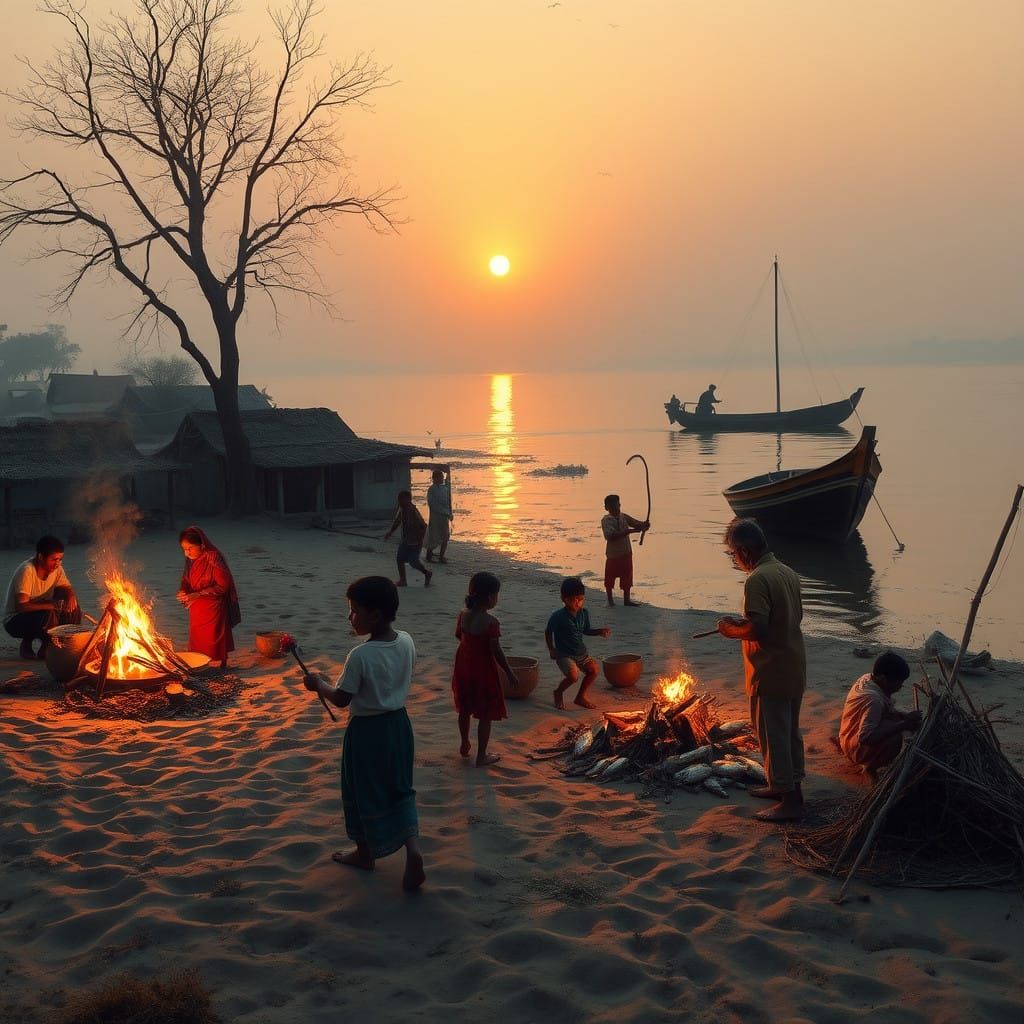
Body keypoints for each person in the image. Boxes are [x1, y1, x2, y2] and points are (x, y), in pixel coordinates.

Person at [302, 575, 425, 891]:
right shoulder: (406, 640)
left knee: (361, 791)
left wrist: (318, 684)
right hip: (399, 726)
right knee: (400, 787)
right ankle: (413, 849)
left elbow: (342, 699)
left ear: (376, 615)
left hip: (367, 733)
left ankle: (365, 853)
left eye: (355, 611)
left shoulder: (360, 655)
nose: (350, 617)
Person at [717, 518, 806, 822]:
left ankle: (791, 802)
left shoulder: (757, 579)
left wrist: (732, 631)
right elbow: (783, 617)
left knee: (774, 736)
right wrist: (742, 624)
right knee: (788, 732)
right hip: (793, 664)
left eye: (733, 554)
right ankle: (782, 786)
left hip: (771, 670)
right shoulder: (786, 571)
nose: (735, 559)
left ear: (744, 551)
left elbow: (760, 628)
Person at [452, 572, 516, 767]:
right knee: (485, 713)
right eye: (496, 595)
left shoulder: (463, 615)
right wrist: (509, 672)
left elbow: (459, 636)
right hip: (482, 670)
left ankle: (464, 743)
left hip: (464, 666)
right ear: (490, 598)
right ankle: (481, 755)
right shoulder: (491, 623)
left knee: (465, 708)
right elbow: (496, 651)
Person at [839, 651, 921, 779]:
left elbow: (887, 710)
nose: (900, 687)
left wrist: (904, 717)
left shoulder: (867, 678)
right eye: (898, 683)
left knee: (895, 717)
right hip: (855, 748)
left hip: (846, 736)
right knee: (895, 738)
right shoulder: (874, 700)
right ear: (883, 678)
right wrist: (903, 725)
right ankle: (870, 766)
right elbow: (866, 737)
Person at [3, 535, 81, 659]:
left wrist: (71, 596)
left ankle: (54, 645)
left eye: (60, 559)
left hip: (41, 612)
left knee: (72, 607)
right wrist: (51, 605)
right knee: (48, 614)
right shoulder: (27, 570)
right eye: (54, 559)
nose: (57, 564)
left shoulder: (57, 569)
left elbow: (66, 587)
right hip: (15, 620)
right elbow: (21, 606)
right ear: (40, 557)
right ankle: (29, 643)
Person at [176, 526, 240, 670]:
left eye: (190, 548)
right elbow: (186, 579)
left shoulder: (213, 558)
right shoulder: (191, 560)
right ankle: (199, 664)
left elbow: (223, 586)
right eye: (184, 549)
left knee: (213, 639)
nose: (187, 553)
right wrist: (183, 590)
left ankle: (219, 665)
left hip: (213, 608)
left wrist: (199, 594)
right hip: (196, 607)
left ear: (202, 545)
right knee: (197, 639)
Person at [545, 577, 611, 710]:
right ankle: (558, 692)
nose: (577, 603)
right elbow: (548, 631)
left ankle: (580, 697)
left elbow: (586, 630)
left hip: (581, 653)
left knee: (593, 670)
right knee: (573, 676)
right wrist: (551, 649)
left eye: (580, 599)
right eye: (572, 599)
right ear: (563, 598)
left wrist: (599, 631)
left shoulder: (583, 613)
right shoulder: (558, 616)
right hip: (564, 654)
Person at [601, 494, 649, 607]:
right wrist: (630, 531)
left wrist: (644, 525)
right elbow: (610, 536)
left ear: (619, 505)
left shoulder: (623, 517)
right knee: (610, 578)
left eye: (617, 505)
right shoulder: (606, 520)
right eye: (612, 506)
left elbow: (636, 524)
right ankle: (610, 601)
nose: (615, 508)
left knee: (627, 576)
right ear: (606, 508)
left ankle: (626, 600)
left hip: (626, 552)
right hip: (613, 554)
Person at [384, 490, 432, 588]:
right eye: (399, 500)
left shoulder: (413, 511)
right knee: (400, 559)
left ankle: (426, 573)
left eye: (401, 500)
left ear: (408, 500)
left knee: (414, 562)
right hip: (405, 540)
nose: (399, 502)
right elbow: (397, 521)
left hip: (415, 542)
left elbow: (423, 526)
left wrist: (420, 540)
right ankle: (403, 580)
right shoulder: (402, 510)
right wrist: (390, 532)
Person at [425, 470, 454, 564]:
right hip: (436, 517)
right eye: (440, 477)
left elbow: (448, 502)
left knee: (445, 536)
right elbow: (432, 504)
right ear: (435, 478)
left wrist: (450, 513)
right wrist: (445, 512)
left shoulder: (445, 488)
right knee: (434, 536)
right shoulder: (432, 489)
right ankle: (429, 555)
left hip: (444, 516)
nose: (442, 478)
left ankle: (441, 556)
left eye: (442, 477)